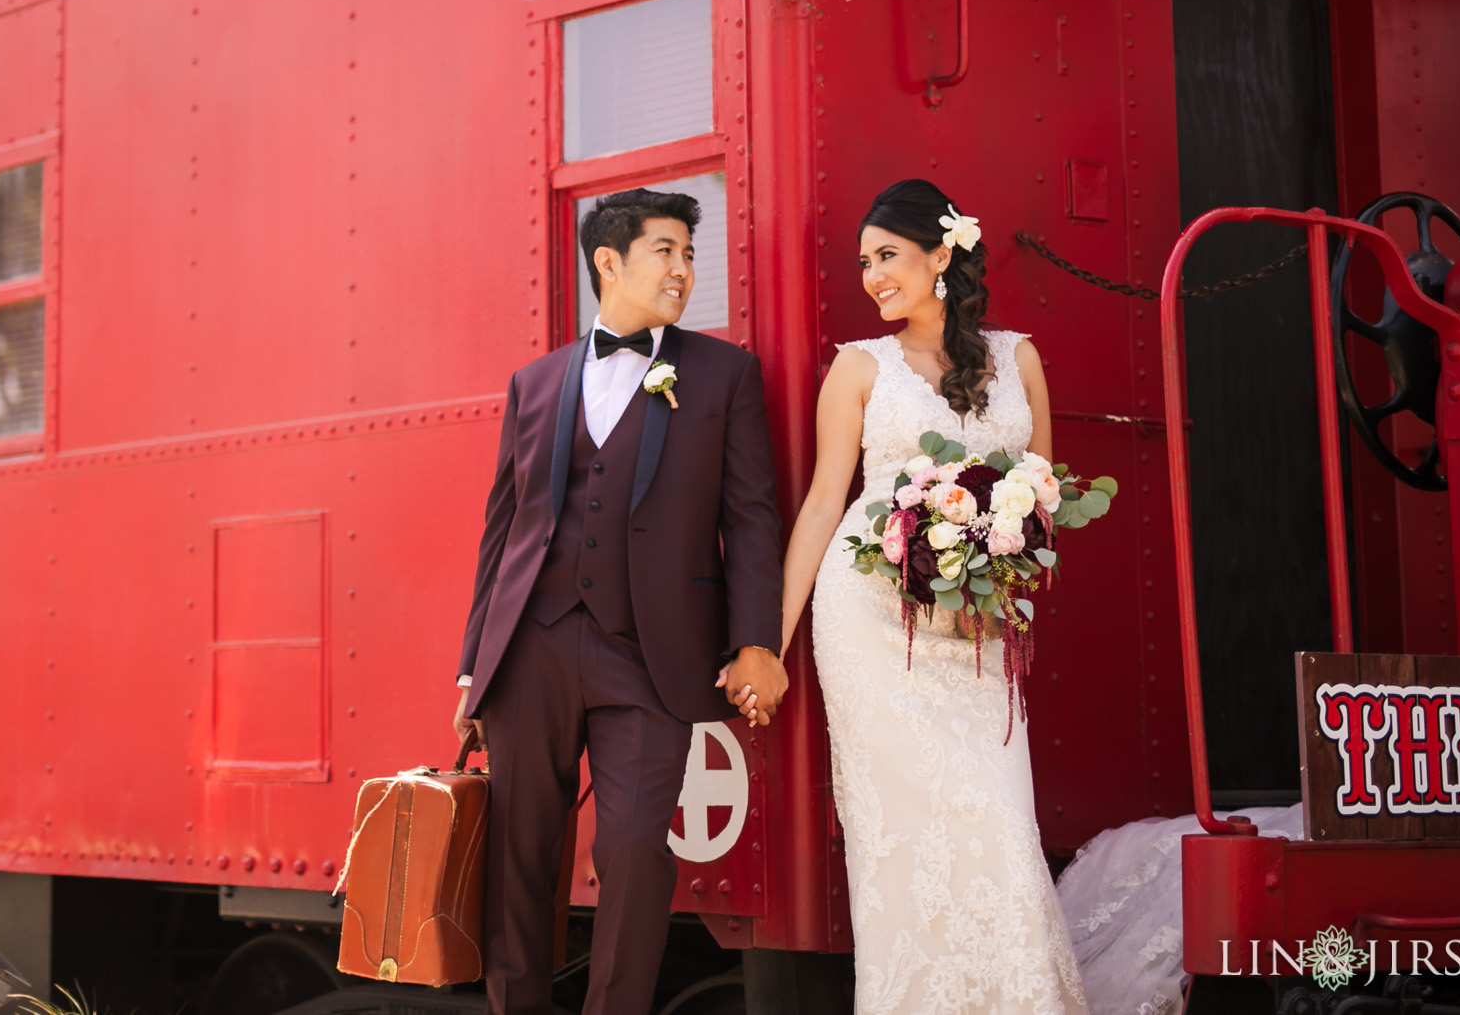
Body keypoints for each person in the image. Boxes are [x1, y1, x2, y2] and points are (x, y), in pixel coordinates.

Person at [453, 187, 788, 1015]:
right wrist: (473, 672)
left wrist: (757, 639)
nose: (684, 270)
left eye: (688, 253)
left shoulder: (725, 374)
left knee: (637, 850)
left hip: (651, 652)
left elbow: (750, 519)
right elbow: (503, 534)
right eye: (666, 251)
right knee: (518, 859)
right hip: (530, 646)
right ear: (610, 261)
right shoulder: (533, 384)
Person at [778, 178, 1089, 1014]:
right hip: (874, 624)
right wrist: (768, 642)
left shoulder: (1018, 357)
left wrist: (1004, 566)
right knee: (904, 840)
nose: (873, 276)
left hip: (979, 625)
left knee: (997, 822)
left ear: (941, 254)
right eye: (864, 263)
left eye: (888, 256)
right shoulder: (858, 367)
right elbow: (820, 504)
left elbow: (1044, 491)